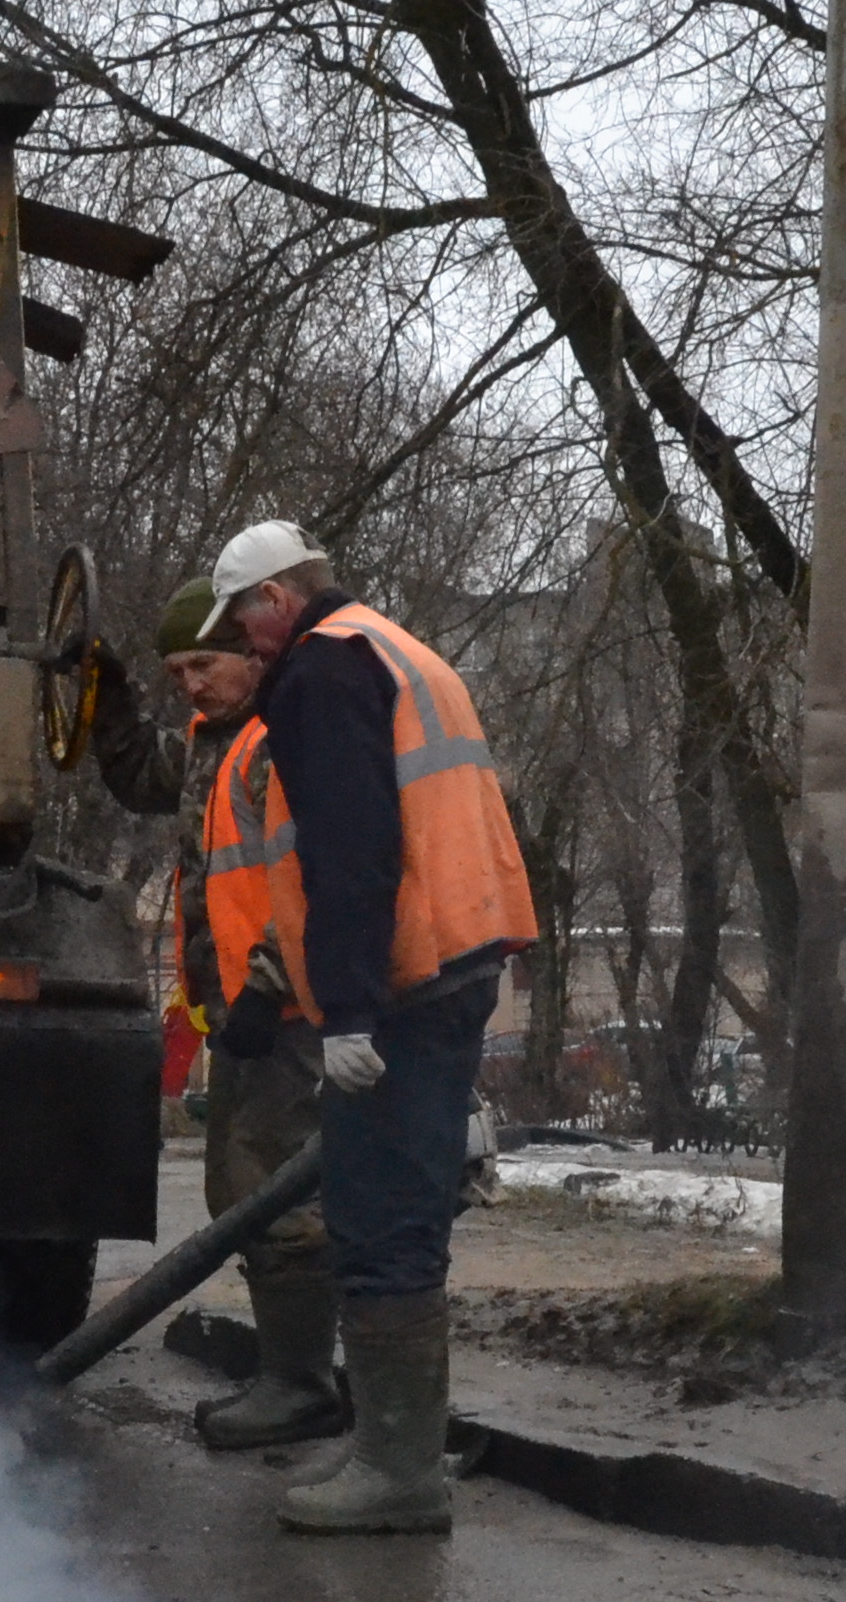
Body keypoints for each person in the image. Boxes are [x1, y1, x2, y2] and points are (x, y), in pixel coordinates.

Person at [194, 518, 538, 1533]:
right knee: (395, 1204)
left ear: (277, 600)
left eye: (243, 622)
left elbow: (353, 852)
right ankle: (393, 1453)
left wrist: (346, 1013)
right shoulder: (398, 650)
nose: (245, 644)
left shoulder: (322, 674)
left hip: (399, 985)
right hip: (454, 959)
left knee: (381, 1212)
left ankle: (397, 1473)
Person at [83, 575, 343, 1450]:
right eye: (175, 671)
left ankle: (300, 1385)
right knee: (241, 1186)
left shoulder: (283, 741)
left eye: (204, 663)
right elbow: (135, 774)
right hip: (240, 1007)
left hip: (285, 1006)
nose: (191, 683)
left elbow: (311, 877)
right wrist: (103, 697)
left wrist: (269, 988)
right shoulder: (212, 743)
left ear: (247, 653)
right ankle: (290, 1375)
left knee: (275, 1190)